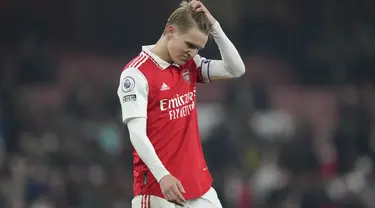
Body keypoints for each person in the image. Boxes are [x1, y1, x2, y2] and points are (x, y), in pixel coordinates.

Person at [117, 0, 245, 207]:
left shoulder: (190, 64)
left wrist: (214, 26)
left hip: (199, 187)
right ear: (170, 31)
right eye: (189, 44)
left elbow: (235, 70)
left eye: (198, 48)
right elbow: (137, 134)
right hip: (159, 190)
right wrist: (162, 176)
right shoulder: (136, 74)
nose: (192, 53)